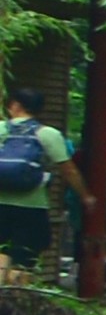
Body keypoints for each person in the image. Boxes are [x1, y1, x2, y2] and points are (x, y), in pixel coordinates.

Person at [0, 98, 51, 284]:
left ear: (15, 105)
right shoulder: (47, 134)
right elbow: (68, 168)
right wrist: (85, 195)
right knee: (25, 256)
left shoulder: (1, 129)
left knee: (1, 251)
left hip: (1, 204)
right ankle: (20, 302)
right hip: (32, 206)